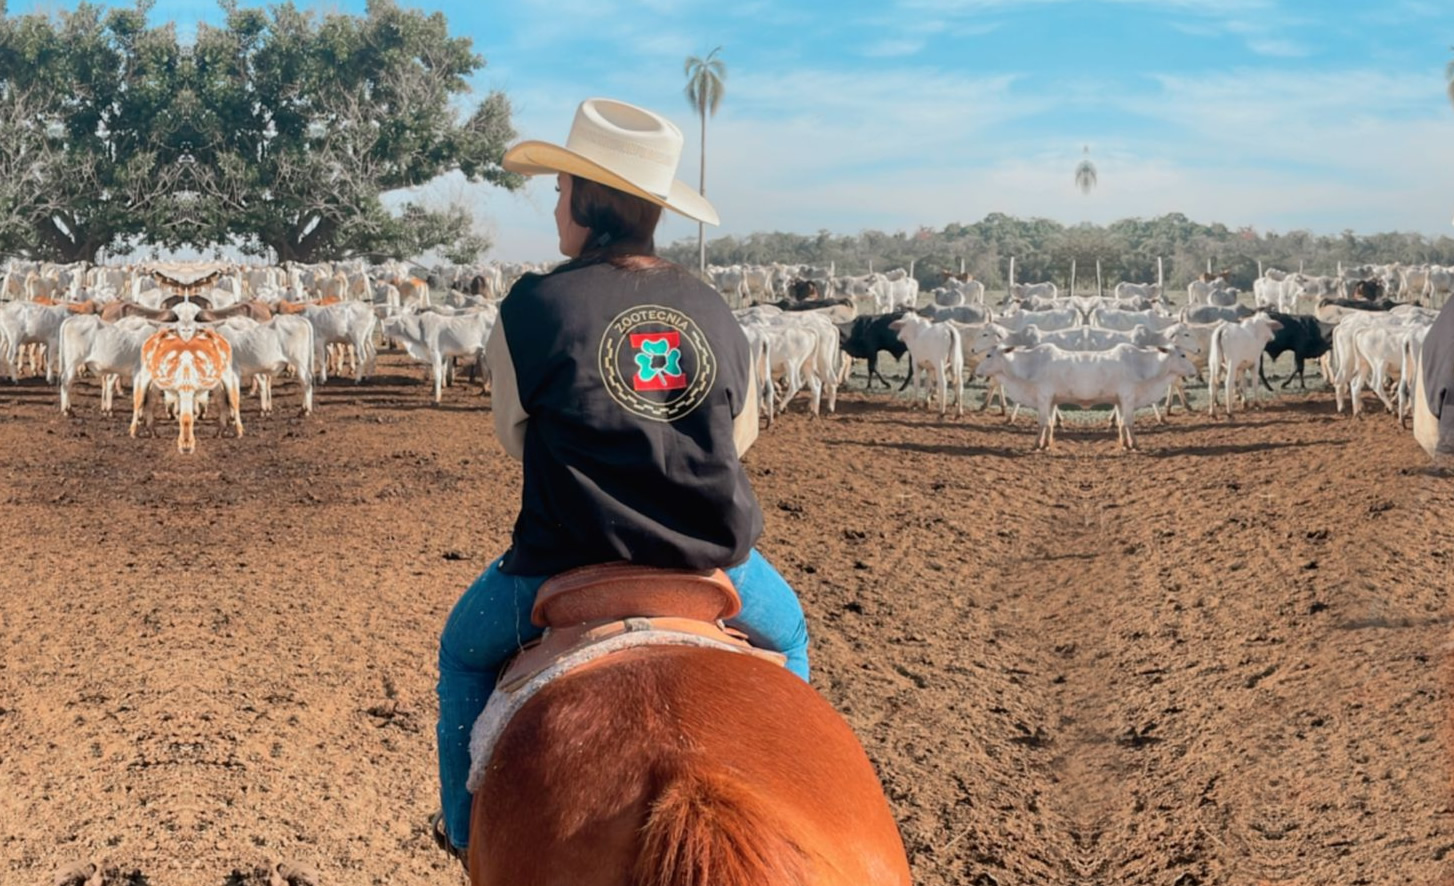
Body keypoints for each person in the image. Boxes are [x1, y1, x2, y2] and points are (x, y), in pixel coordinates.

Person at [431, 97, 811, 861]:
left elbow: (514, 435)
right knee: (792, 634)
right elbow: (740, 437)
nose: (554, 203)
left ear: (590, 200)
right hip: (712, 560)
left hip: (563, 558)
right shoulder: (713, 307)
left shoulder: (533, 305)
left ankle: (466, 834)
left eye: (562, 188)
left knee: (462, 655)